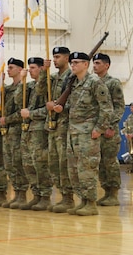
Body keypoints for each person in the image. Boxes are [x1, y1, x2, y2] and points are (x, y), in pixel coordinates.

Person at [56, 52, 113, 216]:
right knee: (74, 170)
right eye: (72, 62)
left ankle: (91, 203)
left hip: (88, 133)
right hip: (73, 133)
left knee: (87, 169)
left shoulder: (95, 82)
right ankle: (82, 201)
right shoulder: (74, 84)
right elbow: (74, 108)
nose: (72, 65)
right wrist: (61, 108)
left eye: (76, 62)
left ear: (85, 65)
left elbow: (107, 108)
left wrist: (99, 129)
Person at [36, 47, 74, 213]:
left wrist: (59, 107)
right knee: (53, 164)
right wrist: (44, 71)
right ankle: (62, 195)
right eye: (54, 57)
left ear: (67, 58)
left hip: (65, 126)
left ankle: (69, 198)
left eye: (58, 57)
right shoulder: (53, 77)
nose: (55, 60)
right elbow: (39, 91)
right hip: (52, 126)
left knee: (64, 163)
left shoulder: (72, 77)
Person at [15, 57, 52, 211]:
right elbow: (18, 101)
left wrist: (31, 113)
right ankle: (36, 195)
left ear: (41, 69)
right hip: (27, 130)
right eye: (29, 68)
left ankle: (45, 196)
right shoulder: (28, 86)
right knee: (28, 165)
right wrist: (22, 81)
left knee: (40, 164)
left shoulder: (47, 85)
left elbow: (48, 108)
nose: (30, 70)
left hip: (39, 129)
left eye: (33, 68)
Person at [92, 53, 125, 206]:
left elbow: (119, 107)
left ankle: (113, 193)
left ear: (107, 65)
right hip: (97, 129)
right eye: (94, 63)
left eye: (98, 63)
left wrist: (110, 126)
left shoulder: (113, 83)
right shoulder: (92, 82)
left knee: (110, 162)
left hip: (109, 131)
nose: (94, 66)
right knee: (100, 163)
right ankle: (106, 191)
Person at [0, 58, 28, 209]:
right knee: (10, 164)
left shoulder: (24, 87)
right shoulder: (8, 89)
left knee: (18, 163)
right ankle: (16, 193)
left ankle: (22, 194)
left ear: (19, 69)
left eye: (11, 68)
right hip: (7, 131)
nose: (8, 70)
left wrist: (8, 119)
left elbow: (21, 110)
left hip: (18, 129)